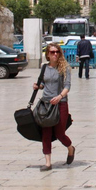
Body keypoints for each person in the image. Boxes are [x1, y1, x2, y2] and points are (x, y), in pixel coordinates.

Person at [33, 42, 75, 171]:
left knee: (59, 133)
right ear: (48, 55)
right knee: (46, 133)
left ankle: (70, 148)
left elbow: (67, 86)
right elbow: (44, 85)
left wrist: (60, 97)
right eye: (52, 52)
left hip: (60, 103)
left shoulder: (64, 67)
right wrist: (38, 86)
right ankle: (48, 163)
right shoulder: (44, 68)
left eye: (57, 52)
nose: (55, 54)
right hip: (46, 104)